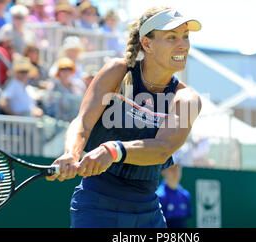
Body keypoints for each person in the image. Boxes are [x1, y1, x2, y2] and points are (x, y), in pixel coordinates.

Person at [45, 6, 202, 228]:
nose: (183, 44)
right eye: (171, 37)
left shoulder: (187, 99)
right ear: (147, 44)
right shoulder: (117, 71)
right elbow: (83, 121)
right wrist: (71, 153)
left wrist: (113, 150)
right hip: (95, 206)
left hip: (148, 212)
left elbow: (163, 148)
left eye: (185, 37)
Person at [156, 163, 192, 228]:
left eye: (178, 168)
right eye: (171, 169)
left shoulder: (185, 195)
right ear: (163, 171)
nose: (175, 171)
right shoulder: (158, 196)